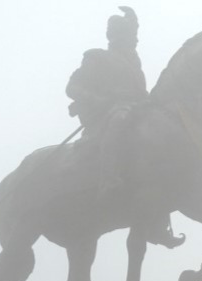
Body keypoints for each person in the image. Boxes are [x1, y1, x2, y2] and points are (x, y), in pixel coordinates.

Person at [65, 6, 147, 193]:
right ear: (116, 36)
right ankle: (109, 179)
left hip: (138, 106)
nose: (134, 40)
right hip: (107, 112)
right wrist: (98, 100)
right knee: (120, 119)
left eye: (133, 36)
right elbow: (72, 88)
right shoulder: (97, 57)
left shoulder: (134, 64)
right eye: (128, 36)